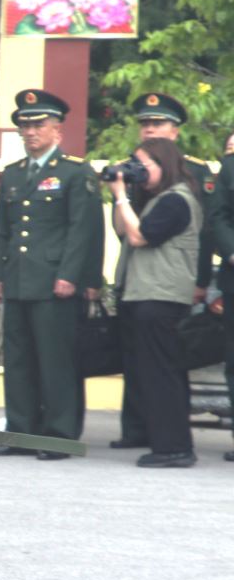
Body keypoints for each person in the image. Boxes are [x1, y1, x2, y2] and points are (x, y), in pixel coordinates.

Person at [0, 89, 102, 459]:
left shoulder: (74, 171)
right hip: (19, 279)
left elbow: (83, 230)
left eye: (38, 125)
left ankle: (58, 435)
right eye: (25, 126)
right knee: (18, 362)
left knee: (56, 362)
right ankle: (21, 432)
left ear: (57, 130)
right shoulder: (13, 174)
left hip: (55, 282)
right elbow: (3, 230)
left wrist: (73, 275)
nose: (30, 132)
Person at [111, 92, 213, 450]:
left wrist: (200, 282)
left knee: (163, 368)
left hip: (162, 290)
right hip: (139, 285)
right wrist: (127, 190)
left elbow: (143, 235)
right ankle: (145, 433)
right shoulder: (151, 186)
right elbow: (124, 231)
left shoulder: (183, 188)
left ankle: (171, 445)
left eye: (157, 125)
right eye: (144, 125)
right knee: (142, 365)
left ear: (174, 132)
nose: (149, 130)